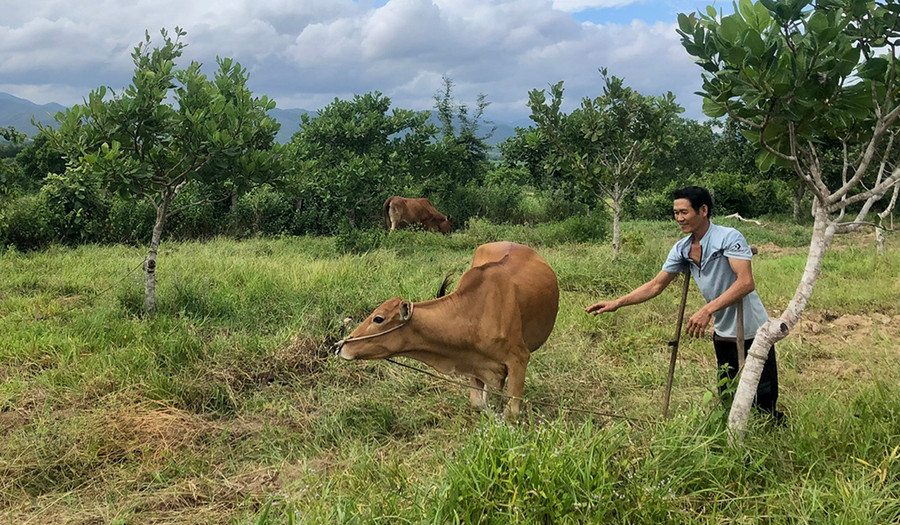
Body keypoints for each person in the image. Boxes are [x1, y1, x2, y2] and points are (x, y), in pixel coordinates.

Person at [586, 186, 783, 421]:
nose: (679, 218)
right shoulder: (682, 249)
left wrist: (707, 310)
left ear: (703, 210)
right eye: (675, 212)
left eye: (684, 212)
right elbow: (656, 285)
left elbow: (745, 283)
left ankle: (769, 435)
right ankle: (733, 438)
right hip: (723, 331)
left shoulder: (728, 237)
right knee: (728, 393)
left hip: (752, 329)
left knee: (763, 399)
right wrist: (617, 302)